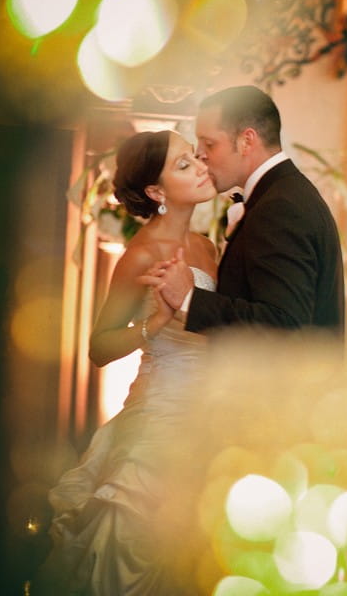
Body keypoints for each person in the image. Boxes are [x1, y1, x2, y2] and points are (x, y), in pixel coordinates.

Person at [35, 129, 218, 595]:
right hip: (159, 416)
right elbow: (99, 349)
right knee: (136, 539)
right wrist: (155, 322)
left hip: (210, 418)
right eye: (183, 165)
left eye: (196, 157)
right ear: (156, 192)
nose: (200, 167)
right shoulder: (141, 254)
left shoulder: (208, 247)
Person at [140, 85, 345, 337]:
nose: (200, 155)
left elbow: (283, 325)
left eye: (209, 143)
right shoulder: (285, 193)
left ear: (247, 141)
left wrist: (189, 298)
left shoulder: (280, 209)